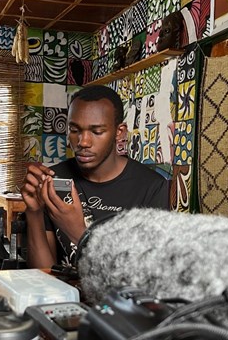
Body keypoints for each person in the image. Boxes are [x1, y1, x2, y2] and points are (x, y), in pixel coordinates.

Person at [21, 85, 169, 268]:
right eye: (74, 130)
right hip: (65, 295)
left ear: (119, 132)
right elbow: (42, 277)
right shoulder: (54, 179)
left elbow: (147, 275)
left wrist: (79, 233)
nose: (83, 142)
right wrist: (34, 213)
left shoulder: (152, 188)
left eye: (96, 132)